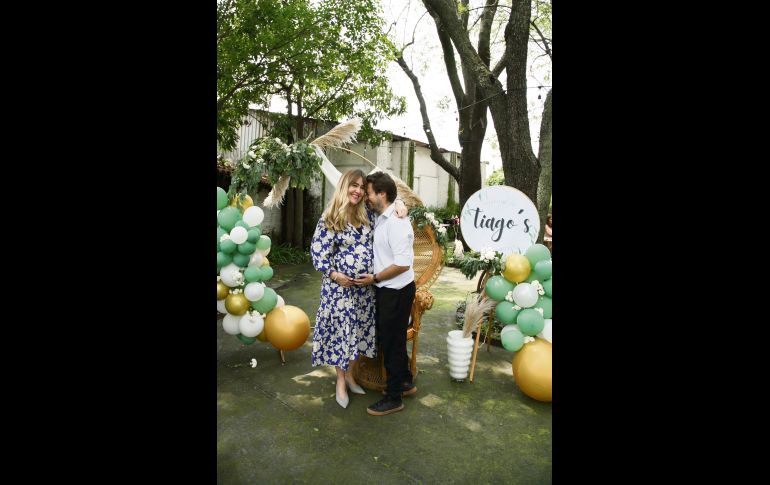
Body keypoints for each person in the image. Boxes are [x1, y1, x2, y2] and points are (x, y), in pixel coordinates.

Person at [310, 169, 407, 409]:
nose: (358, 190)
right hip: (339, 290)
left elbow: (388, 206)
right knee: (342, 337)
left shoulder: (368, 213)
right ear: (344, 186)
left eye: (362, 187)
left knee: (359, 337)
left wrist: (401, 204)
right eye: (354, 185)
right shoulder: (330, 216)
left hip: (365, 291)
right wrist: (335, 275)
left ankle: (352, 375)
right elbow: (317, 253)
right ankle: (340, 382)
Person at [354, 171, 416, 416]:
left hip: (395, 290)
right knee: (395, 340)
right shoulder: (384, 215)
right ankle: (405, 381)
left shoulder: (396, 223)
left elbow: (402, 263)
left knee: (391, 344)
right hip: (389, 289)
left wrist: (375, 278)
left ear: (382, 194)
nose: (366, 197)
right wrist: (399, 202)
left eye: (369, 193)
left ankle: (393, 397)